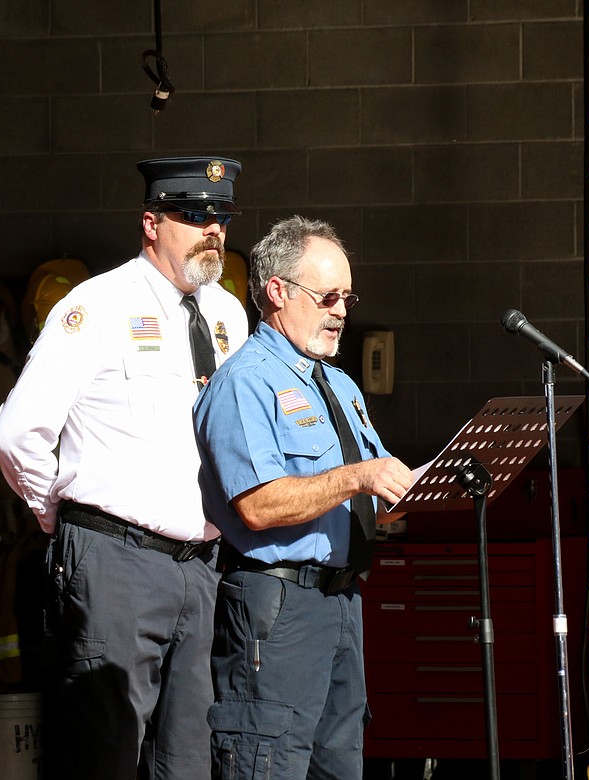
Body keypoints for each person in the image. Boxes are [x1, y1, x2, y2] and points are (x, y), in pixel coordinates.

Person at [0, 156, 250, 779]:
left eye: (220, 217)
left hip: (201, 567)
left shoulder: (228, 316)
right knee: (103, 754)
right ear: (151, 223)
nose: (211, 229)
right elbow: (18, 432)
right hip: (116, 562)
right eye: (193, 215)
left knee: (186, 761)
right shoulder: (98, 305)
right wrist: (57, 515)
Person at [193, 215, 414, 779]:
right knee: (268, 762)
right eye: (328, 296)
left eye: (347, 296)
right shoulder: (247, 380)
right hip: (279, 607)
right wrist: (358, 478)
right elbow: (258, 505)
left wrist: (426, 489)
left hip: (342, 603)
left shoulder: (337, 382)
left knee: (338, 765)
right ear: (277, 293)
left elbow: (374, 486)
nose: (341, 310)